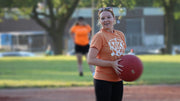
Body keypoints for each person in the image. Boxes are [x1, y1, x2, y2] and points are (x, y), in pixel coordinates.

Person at [87, 7, 126, 101]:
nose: (106, 20)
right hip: (103, 80)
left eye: (108, 17)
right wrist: (111, 64)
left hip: (118, 79)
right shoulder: (99, 36)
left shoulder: (120, 34)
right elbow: (90, 59)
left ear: (114, 19)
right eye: (103, 18)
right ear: (100, 21)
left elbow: (119, 56)